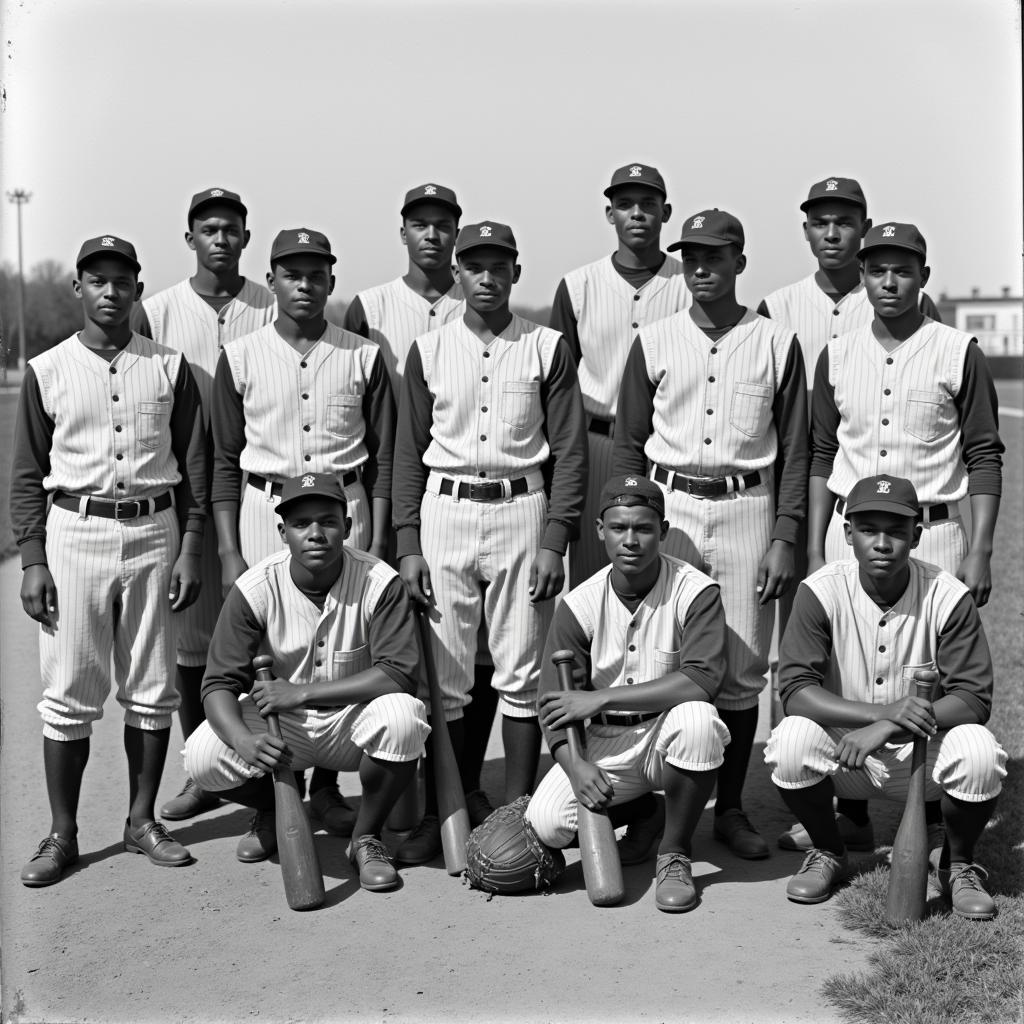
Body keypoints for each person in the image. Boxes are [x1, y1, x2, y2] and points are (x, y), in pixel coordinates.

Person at [11, 235, 207, 886]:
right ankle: (62, 834)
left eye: (122, 281)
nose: (110, 291)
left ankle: (140, 821)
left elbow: (194, 470)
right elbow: (26, 474)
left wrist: (188, 546)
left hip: (153, 528)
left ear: (138, 289)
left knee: (153, 690)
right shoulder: (48, 368)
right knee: (68, 691)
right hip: (76, 530)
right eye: (98, 280)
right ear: (79, 288)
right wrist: (33, 558)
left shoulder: (170, 366)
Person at [392, 220, 588, 864]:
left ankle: (521, 815)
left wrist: (556, 538)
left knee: (523, 671)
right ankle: (447, 808)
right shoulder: (426, 348)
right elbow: (407, 454)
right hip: (444, 507)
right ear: (457, 271)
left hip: (521, 505)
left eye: (497, 264)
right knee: (444, 677)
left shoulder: (547, 346)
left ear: (515, 271)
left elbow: (569, 451)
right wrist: (408, 542)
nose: (485, 276)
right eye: (473, 265)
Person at [615, 208, 808, 860]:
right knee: (660, 654)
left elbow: (798, 451)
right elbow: (629, 442)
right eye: (690, 256)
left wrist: (785, 533)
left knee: (742, 662)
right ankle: (650, 811)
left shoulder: (777, 342)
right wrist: (627, 517)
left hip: (746, 503)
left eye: (715, 256)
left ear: (739, 263)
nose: (701, 267)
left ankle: (728, 808)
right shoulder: (656, 338)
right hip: (669, 501)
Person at [762, 196, 953, 854]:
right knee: (837, 664)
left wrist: (979, 550)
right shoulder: (818, 337)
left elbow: (984, 451)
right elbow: (815, 448)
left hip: (928, 524)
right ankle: (844, 813)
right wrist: (812, 538)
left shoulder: (951, 348)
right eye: (879, 271)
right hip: (849, 518)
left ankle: (923, 812)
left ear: (921, 275)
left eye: (901, 270)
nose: (888, 281)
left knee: (924, 663)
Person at [210, 227, 396, 849]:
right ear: (273, 279)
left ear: (331, 282)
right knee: (271, 642)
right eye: (292, 273)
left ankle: (326, 789)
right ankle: (273, 799)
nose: (305, 284)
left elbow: (384, 458)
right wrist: (229, 547)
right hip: (267, 505)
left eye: (316, 273)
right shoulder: (240, 353)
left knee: (347, 638)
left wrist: (386, 536)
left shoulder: (362, 354)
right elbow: (223, 458)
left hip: (343, 502)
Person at [765, 474, 1006, 918]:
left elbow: (974, 698)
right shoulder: (820, 590)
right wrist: (878, 714)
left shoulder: (948, 595)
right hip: (846, 752)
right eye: (869, 529)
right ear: (847, 533)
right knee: (790, 742)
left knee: (979, 753)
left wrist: (888, 724)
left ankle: (958, 863)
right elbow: (796, 692)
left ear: (916, 536)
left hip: (923, 758)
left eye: (896, 531)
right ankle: (829, 850)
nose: (882, 543)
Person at [183, 473, 430, 892]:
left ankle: (365, 838)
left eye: (328, 522)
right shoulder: (255, 587)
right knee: (203, 755)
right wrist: (245, 742)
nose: (315, 534)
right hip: (284, 730)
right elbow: (218, 684)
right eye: (301, 524)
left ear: (347, 527)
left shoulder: (379, 581)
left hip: (350, 723)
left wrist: (302, 692)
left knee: (404, 717)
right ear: (283, 532)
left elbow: (398, 673)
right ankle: (274, 806)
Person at [343, 183, 497, 825]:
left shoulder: (485, 301)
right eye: (419, 224)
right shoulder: (370, 306)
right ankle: (396, 786)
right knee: (386, 640)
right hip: (385, 482)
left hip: (459, 492)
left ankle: (460, 781)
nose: (431, 235)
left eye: (442, 225)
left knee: (473, 648)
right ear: (402, 232)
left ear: (457, 238)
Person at [524, 475, 729, 912]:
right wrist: (574, 764)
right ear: (601, 531)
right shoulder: (578, 604)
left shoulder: (695, 590)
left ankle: (674, 852)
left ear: (663, 531)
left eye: (643, 528)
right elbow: (552, 707)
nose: (630, 540)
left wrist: (603, 698)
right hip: (603, 745)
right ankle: (645, 814)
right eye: (619, 528)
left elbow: (701, 681)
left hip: (663, 736)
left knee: (698, 722)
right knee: (548, 823)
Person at [136, 186, 275, 823]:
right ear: (189, 238)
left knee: (270, 632)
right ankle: (205, 769)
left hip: (255, 489)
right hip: (187, 485)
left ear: (247, 239)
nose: (221, 239)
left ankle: (277, 768)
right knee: (192, 642)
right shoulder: (157, 310)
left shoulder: (273, 303)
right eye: (209, 229)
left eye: (232, 229)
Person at [549, 163, 689, 587]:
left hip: (668, 447)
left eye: (648, 204)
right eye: (625, 204)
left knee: (672, 573)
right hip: (598, 443)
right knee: (595, 575)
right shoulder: (579, 285)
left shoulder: (691, 283)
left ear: (666, 213)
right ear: (610, 213)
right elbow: (558, 386)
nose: (637, 213)